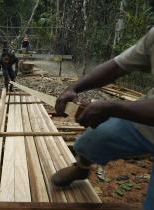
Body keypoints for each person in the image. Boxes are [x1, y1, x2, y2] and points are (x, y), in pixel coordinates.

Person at [51, 27, 154, 210]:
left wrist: (114, 108)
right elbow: (116, 66)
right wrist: (73, 88)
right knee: (94, 138)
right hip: (147, 118)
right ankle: (82, 168)